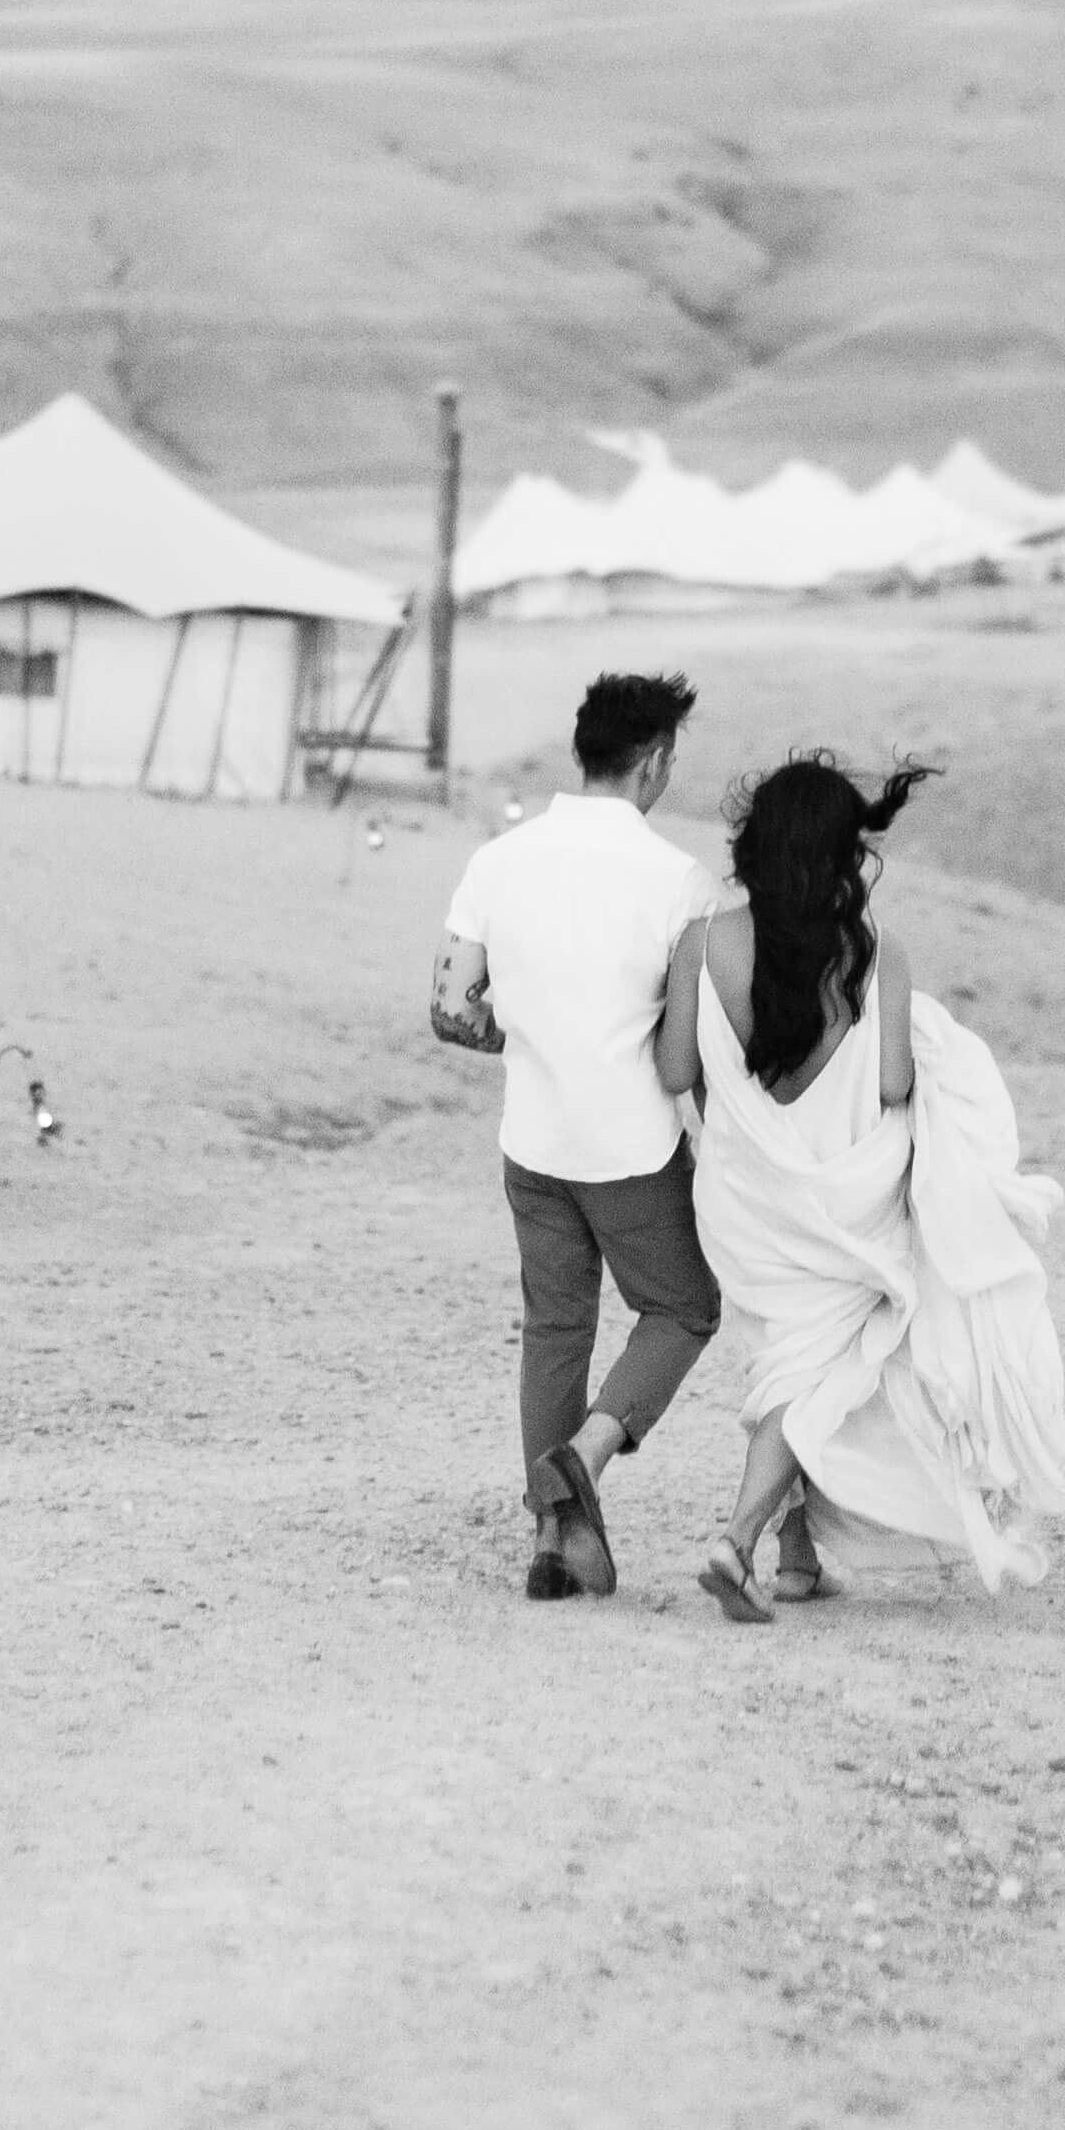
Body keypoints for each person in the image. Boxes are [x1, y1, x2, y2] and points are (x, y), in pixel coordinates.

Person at [662, 753, 1065, 1618]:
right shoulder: (875, 955)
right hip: (850, 1208)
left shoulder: (701, 944)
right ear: (837, 857)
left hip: (744, 1206)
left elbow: (676, 1066)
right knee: (816, 1375)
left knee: (784, 1363)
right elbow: (896, 1085)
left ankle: (794, 1559)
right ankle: (737, 1539)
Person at [431, 670, 748, 1601]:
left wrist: (527, 1037)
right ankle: (588, 1453)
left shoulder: (498, 859)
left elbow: (451, 1010)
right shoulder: (678, 881)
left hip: (532, 1137)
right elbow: (691, 1036)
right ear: (651, 763)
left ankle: (552, 1547)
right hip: (631, 1145)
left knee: (556, 1328)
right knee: (685, 1306)